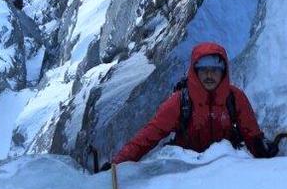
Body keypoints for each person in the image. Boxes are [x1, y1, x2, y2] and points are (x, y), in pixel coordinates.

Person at [112, 41, 276, 164]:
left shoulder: (235, 98)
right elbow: (149, 135)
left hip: (226, 172)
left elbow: (252, 136)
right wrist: (118, 164)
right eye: (203, 69)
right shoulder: (180, 101)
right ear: (195, 71)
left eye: (215, 69)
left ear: (223, 72)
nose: (209, 75)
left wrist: (264, 152)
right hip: (186, 173)